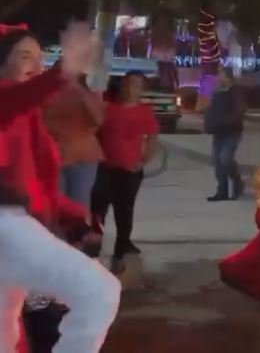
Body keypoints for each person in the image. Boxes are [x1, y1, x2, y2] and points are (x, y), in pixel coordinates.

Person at [0, 23, 121, 353]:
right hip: (5, 223)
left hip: (15, 223)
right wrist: (61, 71)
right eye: (25, 56)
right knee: (97, 290)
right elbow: (13, 99)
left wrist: (75, 221)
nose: (36, 65)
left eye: (40, 58)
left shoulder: (30, 117)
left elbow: (38, 187)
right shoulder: (8, 101)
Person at [92, 71, 158, 268]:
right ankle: (93, 252)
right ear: (122, 85)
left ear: (142, 89)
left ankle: (120, 253)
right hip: (104, 168)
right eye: (128, 83)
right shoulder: (107, 109)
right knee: (98, 212)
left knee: (124, 213)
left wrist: (144, 160)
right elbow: (95, 134)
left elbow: (152, 138)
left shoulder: (144, 111)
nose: (131, 88)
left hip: (130, 171)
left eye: (137, 84)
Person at [43, 75, 104, 208]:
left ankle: (78, 228)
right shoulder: (47, 98)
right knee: (56, 203)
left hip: (83, 158)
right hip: (56, 157)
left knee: (79, 203)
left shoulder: (87, 95)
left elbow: (98, 119)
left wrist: (80, 92)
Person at [203, 68, 246, 201]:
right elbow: (211, 110)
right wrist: (208, 123)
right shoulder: (217, 93)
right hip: (218, 132)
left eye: (221, 76)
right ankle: (222, 191)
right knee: (217, 162)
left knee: (225, 159)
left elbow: (238, 112)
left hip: (232, 132)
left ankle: (237, 182)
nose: (219, 79)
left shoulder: (236, 92)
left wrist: (225, 122)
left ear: (229, 78)